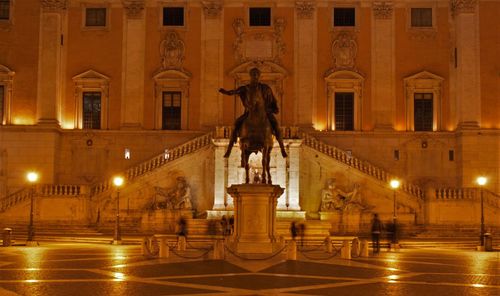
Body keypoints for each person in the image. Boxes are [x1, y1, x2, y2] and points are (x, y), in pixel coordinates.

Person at [219, 67, 287, 158]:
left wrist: (273, 108)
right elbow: (234, 92)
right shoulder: (246, 88)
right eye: (253, 74)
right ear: (250, 76)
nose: (255, 76)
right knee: (236, 124)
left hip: (265, 113)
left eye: (256, 74)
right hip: (249, 112)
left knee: (276, 126)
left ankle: (282, 148)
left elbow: (273, 100)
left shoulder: (265, 88)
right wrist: (226, 92)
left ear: (259, 76)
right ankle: (229, 149)